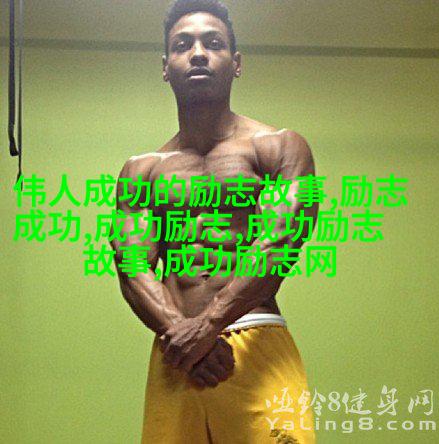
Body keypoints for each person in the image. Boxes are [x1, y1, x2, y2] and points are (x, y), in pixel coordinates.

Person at [110, 0, 318, 442]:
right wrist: (181, 333)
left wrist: (205, 328)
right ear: (165, 67)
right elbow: (130, 265)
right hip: (175, 350)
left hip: (254, 341)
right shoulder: (140, 170)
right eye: (183, 45)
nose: (199, 53)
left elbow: (281, 243)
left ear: (236, 63)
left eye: (214, 43)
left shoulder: (281, 146)